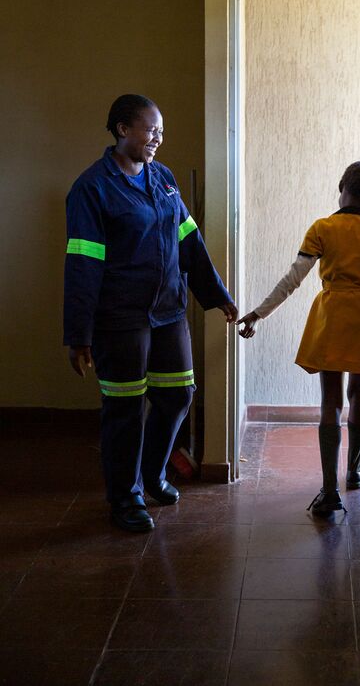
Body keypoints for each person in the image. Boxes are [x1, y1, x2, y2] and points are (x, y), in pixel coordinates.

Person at [64, 94, 237, 533]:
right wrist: (79, 331)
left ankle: (153, 474)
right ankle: (125, 497)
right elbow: (83, 263)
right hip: (119, 318)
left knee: (178, 395)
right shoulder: (92, 188)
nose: (158, 138)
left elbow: (188, 243)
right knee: (123, 408)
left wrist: (216, 295)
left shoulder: (163, 179)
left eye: (161, 130)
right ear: (123, 129)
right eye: (149, 129)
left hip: (167, 313)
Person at [237, 160, 360, 516]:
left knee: (331, 401)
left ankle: (330, 491)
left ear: (341, 184)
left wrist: (258, 313)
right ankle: (355, 471)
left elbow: (293, 278)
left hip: (330, 314)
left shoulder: (322, 228)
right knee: (359, 392)